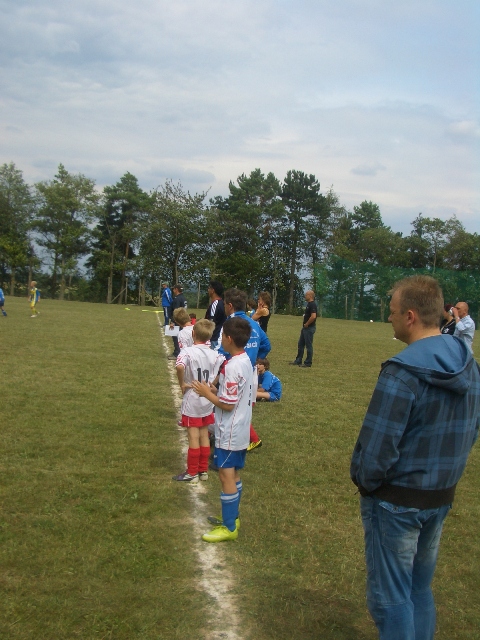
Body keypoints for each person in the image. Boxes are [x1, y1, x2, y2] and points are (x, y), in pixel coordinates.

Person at [350, 275, 480, 640]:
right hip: (439, 496)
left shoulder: (400, 372)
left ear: (410, 316)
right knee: (419, 588)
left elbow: (376, 448)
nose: (388, 317)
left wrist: (367, 483)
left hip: (396, 503)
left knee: (391, 598)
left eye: (392, 311)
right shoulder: (469, 364)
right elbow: (471, 429)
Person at [191, 317, 253, 542]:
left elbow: (227, 404)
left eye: (221, 336)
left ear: (228, 338)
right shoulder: (244, 359)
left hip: (230, 430)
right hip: (241, 428)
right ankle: (232, 517)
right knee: (233, 474)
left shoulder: (234, 366)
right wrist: (216, 388)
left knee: (226, 475)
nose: (219, 339)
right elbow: (236, 393)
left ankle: (229, 527)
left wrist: (207, 393)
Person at [172, 319, 225, 484]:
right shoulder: (215, 354)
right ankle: (203, 470)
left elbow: (179, 367)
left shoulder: (187, 352)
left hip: (193, 397)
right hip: (207, 398)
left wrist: (182, 383)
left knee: (193, 436)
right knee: (204, 434)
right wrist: (212, 384)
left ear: (193, 333)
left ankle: (192, 472)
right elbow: (224, 367)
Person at [220, 288, 271, 452]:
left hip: (233, 372)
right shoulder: (253, 323)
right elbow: (266, 345)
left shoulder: (230, 325)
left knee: (229, 409)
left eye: (224, 304)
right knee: (242, 409)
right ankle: (248, 440)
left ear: (229, 306)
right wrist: (254, 358)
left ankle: (228, 447)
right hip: (250, 373)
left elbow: (221, 353)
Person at [289, 290, 317, 368]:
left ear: (310, 296)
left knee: (308, 345)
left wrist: (307, 324)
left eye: (306, 295)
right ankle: (298, 360)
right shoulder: (309, 304)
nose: (305, 296)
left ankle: (308, 362)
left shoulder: (312, 305)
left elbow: (313, 316)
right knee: (300, 344)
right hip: (305, 328)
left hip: (309, 328)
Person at [205, 280, 227, 350]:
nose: (208, 290)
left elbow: (211, 322)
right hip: (220, 336)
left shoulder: (215, 304)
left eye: (209, 288)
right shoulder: (222, 303)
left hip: (215, 338)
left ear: (213, 290)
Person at [168, 284, 187, 359]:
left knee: (175, 337)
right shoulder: (183, 298)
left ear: (176, 289)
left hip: (177, 321)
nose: (173, 290)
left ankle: (177, 353)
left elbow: (176, 312)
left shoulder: (177, 299)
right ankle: (179, 352)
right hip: (182, 320)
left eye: (174, 289)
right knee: (180, 336)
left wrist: (172, 322)